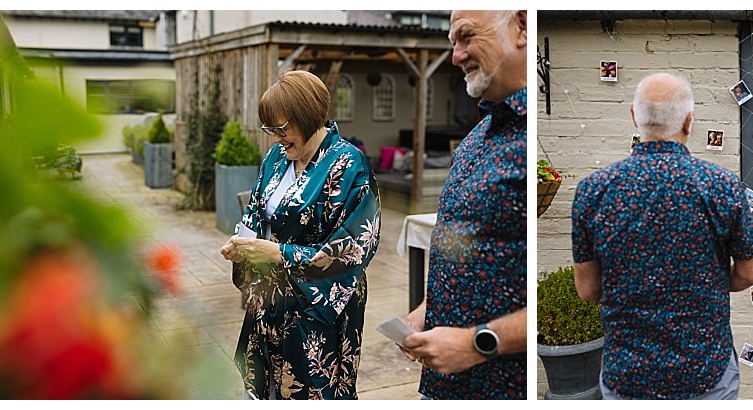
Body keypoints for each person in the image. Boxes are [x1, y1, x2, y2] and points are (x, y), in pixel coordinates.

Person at [573, 73, 753, 400]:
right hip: (706, 371)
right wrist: (710, 280)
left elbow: (588, 289)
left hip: (627, 374)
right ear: (689, 121)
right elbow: (750, 273)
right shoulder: (721, 186)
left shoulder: (593, 191)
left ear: (634, 115)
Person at [222, 70, 381, 399]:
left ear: (308, 117)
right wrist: (241, 242)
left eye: (282, 128)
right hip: (269, 299)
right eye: (271, 129)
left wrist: (279, 254)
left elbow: (353, 248)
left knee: (310, 389)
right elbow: (256, 207)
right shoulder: (276, 157)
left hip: (318, 306)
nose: (276, 137)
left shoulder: (348, 164)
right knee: (264, 385)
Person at [398, 10, 528, 400]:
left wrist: (476, 343)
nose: (456, 55)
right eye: (452, 42)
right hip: (442, 387)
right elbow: (465, 251)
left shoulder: (528, 139)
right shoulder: (477, 139)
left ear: (522, 27)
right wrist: (426, 309)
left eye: (466, 37)